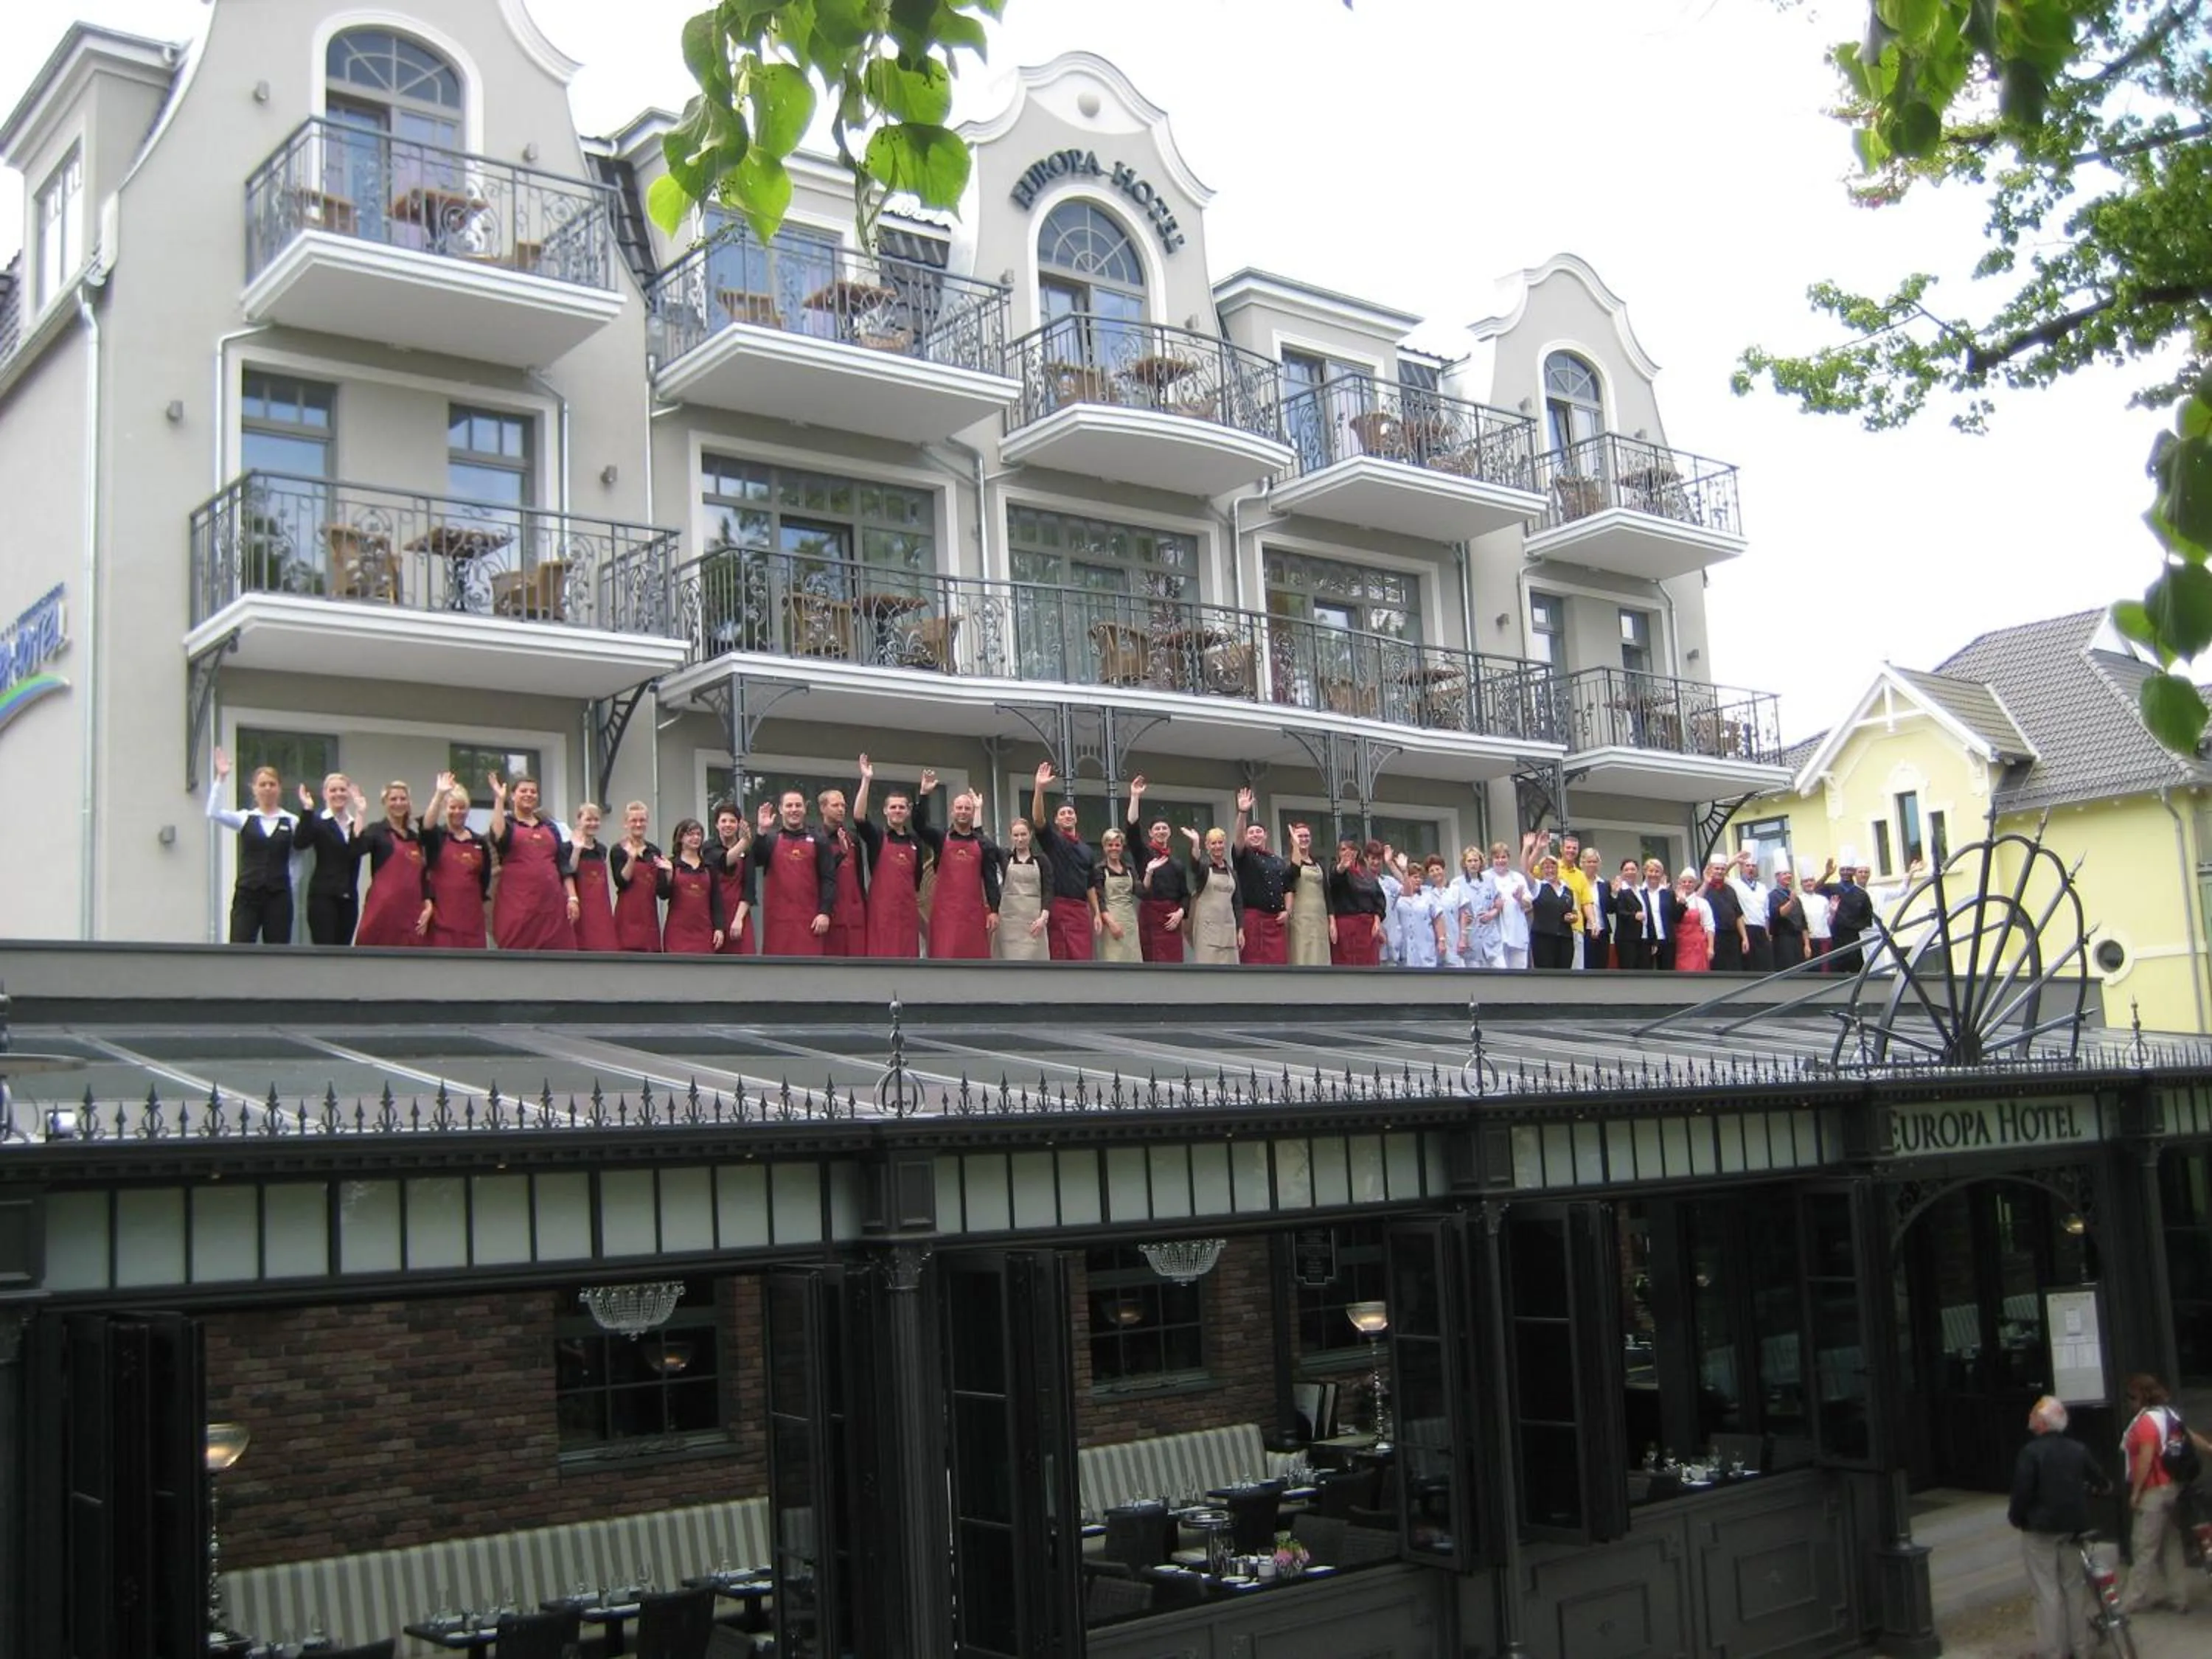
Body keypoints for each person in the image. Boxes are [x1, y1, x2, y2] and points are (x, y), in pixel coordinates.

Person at [2008, 1395, 2108, 1659]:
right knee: (2073, 1587)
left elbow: (2022, 1493)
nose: (2029, 1418)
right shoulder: (2077, 1449)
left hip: (2040, 1528)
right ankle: (2080, 1646)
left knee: (2046, 1590)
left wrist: (2018, 1518)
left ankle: (2052, 1651)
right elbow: (2100, 1479)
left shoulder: (2031, 1453)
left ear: (2040, 1423)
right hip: (2073, 1527)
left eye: (2033, 1414)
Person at [2118, 1372, 2210, 1615]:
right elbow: (2191, 1437)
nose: (2128, 1402)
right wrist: (2210, 1449)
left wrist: (2136, 1492)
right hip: (2173, 1487)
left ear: (2139, 1397)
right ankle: (2178, 1597)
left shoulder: (2145, 1423)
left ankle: (2132, 1600)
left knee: (2144, 1547)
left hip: (2153, 1490)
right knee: (2171, 1542)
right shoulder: (2170, 1415)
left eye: (2130, 1397)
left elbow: (2146, 1458)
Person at [207, 748, 305, 945]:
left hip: (279, 895)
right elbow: (213, 812)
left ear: (279, 789)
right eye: (262, 784)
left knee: (277, 948)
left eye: (272, 784)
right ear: (254, 789)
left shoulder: (291, 821)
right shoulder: (245, 818)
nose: (267, 788)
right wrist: (221, 777)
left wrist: (288, 885)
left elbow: (297, 858)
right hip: (248, 893)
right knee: (240, 944)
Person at [854, 755, 934, 960]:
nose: (897, 811)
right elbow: (859, 817)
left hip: (908, 912)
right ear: (885, 811)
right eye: (893, 807)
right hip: (881, 912)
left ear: (908, 812)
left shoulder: (915, 841)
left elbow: (916, 881)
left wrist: (924, 794)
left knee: (908, 960)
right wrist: (866, 780)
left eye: (901, 807)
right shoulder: (877, 837)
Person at [487, 773, 577, 951]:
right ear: (513, 796)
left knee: (557, 956)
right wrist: (499, 799)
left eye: (533, 792)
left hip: (552, 907)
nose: (529, 794)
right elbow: (497, 835)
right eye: (523, 791)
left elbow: (563, 865)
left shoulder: (550, 827)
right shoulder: (508, 825)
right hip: (518, 905)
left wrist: (573, 898)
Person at [748, 790, 836, 956]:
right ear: (781, 810)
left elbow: (828, 879)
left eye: (798, 805)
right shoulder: (771, 838)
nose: (794, 809)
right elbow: (756, 860)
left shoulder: (819, 839)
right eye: (789, 806)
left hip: (810, 920)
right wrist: (761, 831)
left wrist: (825, 912)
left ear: (805, 809)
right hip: (778, 921)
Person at [353, 777, 434, 947]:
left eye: (403, 799)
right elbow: (356, 848)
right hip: (383, 910)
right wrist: (360, 813)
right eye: (393, 799)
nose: (398, 803)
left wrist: (428, 905)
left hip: (412, 913)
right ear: (385, 802)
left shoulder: (415, 837)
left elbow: (423, 877)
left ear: (408, 803)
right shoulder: (376, 830)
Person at [918, 788, 998, 959]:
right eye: (959, 808)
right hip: (944, 915)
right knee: (944, 958)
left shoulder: (983, 844)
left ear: (973, 813)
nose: (963, 812)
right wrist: (924, 795)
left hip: (973, 915)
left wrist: (994, 910)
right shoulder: (940, 838)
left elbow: (991, 880)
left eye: (967, 809)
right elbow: (919, 826)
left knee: (974, 961)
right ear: (952, 811)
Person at [1029, 762, 1097, 961]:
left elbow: (1091, 884)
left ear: (1076, 818)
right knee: (1061, 957)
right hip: (1058, 908)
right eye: (1062, 814)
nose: (1067, 816)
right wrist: (1039, 790)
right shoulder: (1053, 841)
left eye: (1070, 813)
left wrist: (1097, 913)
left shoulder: (1086, 850)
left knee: (1084, 959)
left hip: (1081, 912)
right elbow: (1038, 820)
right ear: (1057, 821)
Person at [421, 773, 490, 950]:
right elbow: (427, 826)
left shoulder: (479, 842)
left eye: (462, 808)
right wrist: (439, 794)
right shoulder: (438, 837)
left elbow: (485, 880)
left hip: (472, 918)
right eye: (453, 807)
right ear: (445, 810)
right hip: (442, 917)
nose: (458, 812)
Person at [296, 772, 365, 946]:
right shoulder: (319, 822)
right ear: (326, 794)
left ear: (349, 793)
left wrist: (361, 814)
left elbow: (355, 851)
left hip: (348, 897)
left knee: (344, 949)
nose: (338, 794)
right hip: (323, 896)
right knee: (324, 948)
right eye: (333, 790)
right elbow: (300, 842)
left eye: (342, 790)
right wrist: (307, 810)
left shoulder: (353, 823)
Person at [1127, 779, 1188, 964]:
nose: (1161, 831)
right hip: (1150, 916)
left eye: (1164, 828)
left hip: (1172, 919)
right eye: (1157, 829)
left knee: (1174, 963)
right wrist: (1135, 797)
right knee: (1152, 960)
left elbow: (1185, 894)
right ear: (1151, 833)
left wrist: (1180, 913)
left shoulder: (1176, 863)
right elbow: (1132, 829)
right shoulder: (1143, 853)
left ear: (1169, 833)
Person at [1231, 787, 1293, 965]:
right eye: (1251, 832)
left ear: (1266, 835)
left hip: (1276, 922)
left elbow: (1288, 888)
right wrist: (1243, 812)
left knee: (1279, 965)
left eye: (1258, 832)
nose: (1255, 835)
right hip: (1253, 920)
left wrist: (1287, 911)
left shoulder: (1278, 861)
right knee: (1254, 964)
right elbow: (1238, 840)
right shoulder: (1244, 856)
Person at [815, 781, 870, 959]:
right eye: (835, 805)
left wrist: (862, 904)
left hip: (853, 910)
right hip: (829, 910)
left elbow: (859, 876)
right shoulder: (816, 838)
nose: (841, 809)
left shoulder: (852, 837)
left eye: (843, 805)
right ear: (823, 808)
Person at [1180, 824, 1244, 964]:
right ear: (1207, 846)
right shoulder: (1203, 869)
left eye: (1220, 842)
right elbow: (1194, 864)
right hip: (1207, 932)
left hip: (1228, 931)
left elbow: (1238, 904)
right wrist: (1195, 843)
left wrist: (1240, 929)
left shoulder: (1232, 873)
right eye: (1213, 843)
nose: (1217, 846)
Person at [610, 802, 667, 954]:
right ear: (626, 823)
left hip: (649, 917)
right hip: (627, 917)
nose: (638, 824)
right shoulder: (618, 850)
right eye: (634, 821)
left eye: (642, 820)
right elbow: (621, 883)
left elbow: (663, 893)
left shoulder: (654, 851)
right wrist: (631, 859)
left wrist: (669, 873)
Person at [661, 817, 723, 954]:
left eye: (699, 834)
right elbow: (663, 894)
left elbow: (716, 900)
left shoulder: (709, 867)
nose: (695, 838)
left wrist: (719, 928)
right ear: (681, 838)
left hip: (704, 932)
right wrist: (669, 875)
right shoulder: (670, 864)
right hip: (677, 932)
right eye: (691, 834)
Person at [995, 816, 1051, 961]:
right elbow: (984, 844)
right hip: (1009, 926)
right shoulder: (1005, 857)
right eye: (1016, 835)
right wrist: (977, 811)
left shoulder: (1042, 860)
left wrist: (1043, 919)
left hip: (1034, 925)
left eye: (1023, 834)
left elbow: (1048, 890)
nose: (1020, 839)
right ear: (1011, 837)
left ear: (1030, 835)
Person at [568, 803, 622, 953]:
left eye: (596, 820)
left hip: (601, 909)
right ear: (579, 821)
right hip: (581, 910)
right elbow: (569, 871)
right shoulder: (568, 847)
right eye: (588, 820)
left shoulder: (602, 850)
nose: (593, 824)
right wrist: (577, 850)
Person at [1326, 839, 1388, 966]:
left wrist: (1377, 920)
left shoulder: (1367, 874)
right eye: (1343, 850)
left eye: (1350, 850)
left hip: (1367, 928)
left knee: (1369, 965)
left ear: (1356, 852)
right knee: (1347, 964)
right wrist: (1342, 866)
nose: (1347, 853)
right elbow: (1335, 877)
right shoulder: (1336, 870)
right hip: (1346, 927)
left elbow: (1378, 898)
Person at [1091, 827, 1143, 963]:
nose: (1114, 848)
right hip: (1110, 920)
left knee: (1133, 960)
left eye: (1117, 845)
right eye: (1110, 845)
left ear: (1122, 847)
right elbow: (1100, 899)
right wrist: (1112, 923)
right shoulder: (1099, 870)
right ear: (1104, 847)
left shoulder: (1130, 869)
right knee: (1113, 960)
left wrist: (1149, 874)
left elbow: (1141, 892)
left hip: (1130, 921)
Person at [1388, 855, 1450, 969]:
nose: (1418, 880)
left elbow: (1438, 918)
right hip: (1405, 948)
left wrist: (1441, 940)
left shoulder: (1429, 895)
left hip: (1425, 947)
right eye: (1415, 877)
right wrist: (1393, 865)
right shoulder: (1399, 896)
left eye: (1420, 877)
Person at [709, 802, 753, 955]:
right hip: (713, 916)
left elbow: (749, 889)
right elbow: (725, 861)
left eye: (733, 821)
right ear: (716, 824)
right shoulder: (709, 848)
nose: (728, 825)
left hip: (739, 914)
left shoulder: (747, 852)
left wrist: (738, 919)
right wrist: (744, 842)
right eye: (724, 821)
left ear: (739, 825)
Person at [1284, 822, 1330, 967]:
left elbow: (1327, 893)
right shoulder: (1288, 863)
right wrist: (1296, 847)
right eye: (1299, 836)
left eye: (1306, 836)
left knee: (1321, 955)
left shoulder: (1318, 864)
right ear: (1292, 839)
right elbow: (1293, 874)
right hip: (1300, 919)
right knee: (1302, 954)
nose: (1303, 839)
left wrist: (1332, 920)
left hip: (1320, 919)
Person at [1820, 858, 1874, 974]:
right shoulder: (1832, 888)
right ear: (1839, 871)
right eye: (1843, 869)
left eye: (1849, 870)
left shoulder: (1861, 894)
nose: (1845, 872)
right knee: (1835, 973)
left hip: (1853, 938)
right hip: (1835, 938)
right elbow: (1815, 889)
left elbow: (1867, 919)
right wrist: (1827, 874)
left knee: (1856, 972)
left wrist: (1852, 925)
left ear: (1854, 872)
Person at [1528, 852, 1578, 970]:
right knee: (1546, 975)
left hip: (1565, 939)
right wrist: (1534, 849)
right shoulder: (1538, 886)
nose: (1550, 870)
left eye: (1552, 867)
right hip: (1543, 939)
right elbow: (1525, 870)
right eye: (1546, 867)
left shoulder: (1568, 890)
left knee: (1565, 974)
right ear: (1541, 870)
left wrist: (1573, 917)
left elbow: (1575, 913)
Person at [1492, 842, 1534, 970]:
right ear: (1492, 859)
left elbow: (1529, 903)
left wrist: (1520, 899)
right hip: (1496, 935)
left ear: (1508, 858)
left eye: (1504, 857)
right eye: (1497, 857)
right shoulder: (1486, 878)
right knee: (1500, 973)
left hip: (1517, 933)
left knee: (1519, 972)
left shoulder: (1518, 878)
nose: (1500, 860)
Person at [1730, 851, 1773, 973]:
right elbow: (1720, 876)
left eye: (1753, 866)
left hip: (1761, 931)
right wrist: (1734, 861)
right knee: (1749, 966)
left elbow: (1766, 914)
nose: (1751, 869)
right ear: (1741, 868)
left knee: (1764, 966)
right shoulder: (1735, 884)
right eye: (1747, 866)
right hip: (1746, 929)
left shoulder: (1763, 888)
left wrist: (1767, 934)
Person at [1704, 858, 1747, 971]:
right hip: (1714, 937)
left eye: (1722, 869)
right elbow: (1695, 901)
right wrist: (1705, 883)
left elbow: (1738, 916)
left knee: (1735, 969)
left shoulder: (1731, 890)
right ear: (1710, 870)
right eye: (1717, 868)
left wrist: (1744, 938)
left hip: (1732, 937)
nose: (1720, 871)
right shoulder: (1704, 888)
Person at [1638, 858, 1678, 971]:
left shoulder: (1668, 894)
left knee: (1668, 973)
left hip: (1667, 940)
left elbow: (1675, 917)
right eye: (1651, 871)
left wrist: (1682, 904)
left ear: (1662, 874)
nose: (1654, 874)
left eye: (1657, 871)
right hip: (1647, 941)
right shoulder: (1640, 893)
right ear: (1645, 872)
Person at [1610, 858, 1647, 970]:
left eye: (1633, 869)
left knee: (1645, 972)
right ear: (1622, 872)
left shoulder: (1642, 891)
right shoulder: (1620, 890)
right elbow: (1618, 910)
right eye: (1626, 870)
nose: (1630, 872)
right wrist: (1634, 916)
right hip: (1626, 939)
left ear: (1638, 872)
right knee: (1629, 972)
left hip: (1643, 938)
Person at [1673, 870, 1713, 972]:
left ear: (1695, 884)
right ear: (1680, 883)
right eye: (1684, 882)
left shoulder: (1702, 903)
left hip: (1698, 946)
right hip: (1679, 946)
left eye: (1690, 882)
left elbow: (1709, 926)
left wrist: (1711, 947)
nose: (1687, 884)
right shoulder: (1674, 901)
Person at [1768, 865, 1807, 970]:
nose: (1789, 876)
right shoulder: (1773, 895)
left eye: (1789, 873)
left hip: (1798, 940)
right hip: (1783, 939)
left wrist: (1807, 944)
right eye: (1785, 874)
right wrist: (1791, 902)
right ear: (1777, 877)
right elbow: (1777, 914)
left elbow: (1803, 923)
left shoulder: (1795, 897)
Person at [1798, 863, 1834, 969]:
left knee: (1825, 970)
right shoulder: (1798, 899)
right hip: (1807, 941)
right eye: (1806, 881)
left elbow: (1829, 923)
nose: (1809, 883)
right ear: (1801, 884)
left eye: (1811, 880)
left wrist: (1833, 912)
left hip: (1824, 939)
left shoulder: (1823, 900)